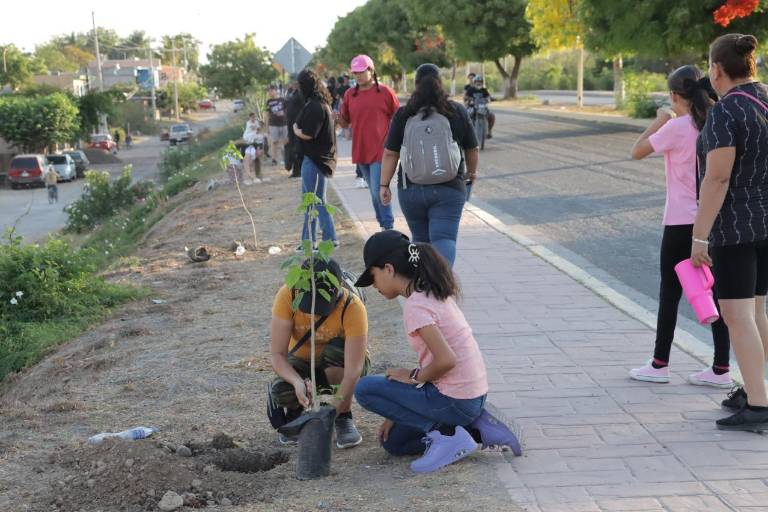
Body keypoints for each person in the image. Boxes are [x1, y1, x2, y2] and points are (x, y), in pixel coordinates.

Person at [353, 230, 522, 474]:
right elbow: (439, 358)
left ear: (388, 269)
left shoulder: (416, 306)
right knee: (394, 443)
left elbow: (446, 360)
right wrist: (395, 410)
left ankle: (447, 434)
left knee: (365, 388)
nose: (374, 286)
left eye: (373, 277)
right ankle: (476, 429)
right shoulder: (429, 293)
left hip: (455, 400)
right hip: (470, 397)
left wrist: (413, 377)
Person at [628, 65, 732, 388]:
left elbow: (637, 151)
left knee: (670, 293)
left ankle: (660, 363)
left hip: (679, 221)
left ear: (675, 96)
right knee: (716, 291)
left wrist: (662, 119)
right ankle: (721, 368)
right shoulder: (716, 121)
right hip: (711, 218)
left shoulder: (677, 127)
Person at [692, 33, 768, 431]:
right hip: (766, 223)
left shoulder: (726, 112)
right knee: (755, 311)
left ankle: (758, 404)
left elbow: (717, 179)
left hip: (736, 228)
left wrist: (699, 236)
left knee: (737, 315)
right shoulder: (766, 98)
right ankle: (758, 389)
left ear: (716, 69)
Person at [380, 63, 479, 267]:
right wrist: (471, 172)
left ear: (416, 85)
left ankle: (421, 281)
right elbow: (472, 148)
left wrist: (384, 185)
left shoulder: (404, 114)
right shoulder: (456, 111)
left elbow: (390, 153)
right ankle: (441, 283)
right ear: (440, 83)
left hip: (411, 189)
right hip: (450, 187)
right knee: (445, 239)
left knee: (419, 240)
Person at [269, 258, 369, 447]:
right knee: (282, 390)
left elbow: (353, 371)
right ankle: (296, 413)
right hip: (303, 362)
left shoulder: (353, 306)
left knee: (335, 351)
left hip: (341, 364)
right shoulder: (287, 295)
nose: (314, 314)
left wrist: (333, 412)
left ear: (339, 288)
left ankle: (344, 417)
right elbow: (277, 355)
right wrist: (297, 381)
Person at [338, 54, 400, 232]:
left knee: (376, 190)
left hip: (382, 151)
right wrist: (337, 118)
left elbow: (398, 117)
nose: (357, 75)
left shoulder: (385, 92)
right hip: (361, 150)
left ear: (371, 71)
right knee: (373, 193)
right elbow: (345, 123)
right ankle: (383, 223)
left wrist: (395, 141)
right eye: (354, 72)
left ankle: (387, 226)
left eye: (361, 71)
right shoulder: (350, 94)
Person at [293, 68, 338, 250]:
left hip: (316, 160)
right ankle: (308, 242)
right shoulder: (317, 103)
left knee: (315, 201)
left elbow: (309, 134)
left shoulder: (316, 106)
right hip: (314, 159)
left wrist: (296, 130)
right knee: (311, 201)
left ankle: (329, 238)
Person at [285, 80, 304, 178]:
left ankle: (299, 170)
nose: (292, 84)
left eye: (295, 82)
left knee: (297, 148)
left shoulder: (301, 93)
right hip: (290, 124)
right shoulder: (290, 92)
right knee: (292, 147)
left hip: (297, 123)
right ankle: (294, 170)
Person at [265, 85, 288, 165]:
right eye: (268, 91)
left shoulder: (283, 100)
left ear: (275, 90)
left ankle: (286, 158)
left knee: (285, 142)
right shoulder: (268, 102)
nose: (269, 92)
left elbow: (287, 111)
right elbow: (267, 114)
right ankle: (274, 159)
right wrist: (267, 127)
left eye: (271, 90)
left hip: (284, 124)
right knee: (274, 142)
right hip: (273, 125)